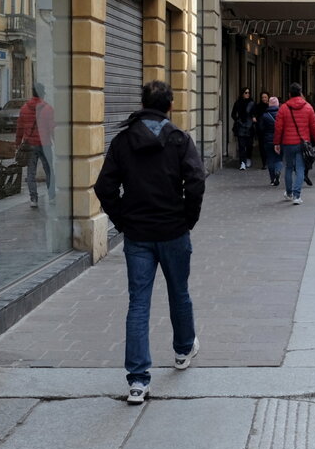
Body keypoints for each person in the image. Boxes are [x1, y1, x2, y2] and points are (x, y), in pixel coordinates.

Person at [93, 80, 206, 405]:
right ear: (170, 106)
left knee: (138, 304)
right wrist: (187, 219)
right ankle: (183, 350)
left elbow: (104, 187)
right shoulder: (179, 139)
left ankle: (138, 381)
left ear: (142, 104)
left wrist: (123, 220)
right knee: (179, 293)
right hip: (173, 231)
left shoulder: (123, 140)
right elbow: (196, 181)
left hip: (138, 235)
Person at [273, 82, 315, 205]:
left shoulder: (283, 108)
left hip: (288, 143)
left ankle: (289, 193)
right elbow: (314, 127)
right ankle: (297, 196)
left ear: (289, 94)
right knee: (300, 168)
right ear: (300, 93)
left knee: (289, 167)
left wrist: (277, 143)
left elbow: (278, 128)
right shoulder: (308, 107)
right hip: (302, 143)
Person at [15, 83, 55, 207]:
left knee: (30, 173)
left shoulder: (24, 108)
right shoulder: (48, 109)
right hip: (45, 144)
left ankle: (33, 199)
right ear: (42, 93)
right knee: (49, 170)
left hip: (30, 144)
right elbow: (52, 128)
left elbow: (20, 128)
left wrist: (17, 143)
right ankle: (52, 197)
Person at [260, 96, 282, 187]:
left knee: (270, 159)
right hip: (280, 140)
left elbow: (261, 128)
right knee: (279, 158)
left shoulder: (265, 115)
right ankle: (278, 171)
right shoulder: (281, 115)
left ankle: (273, 179)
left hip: (268, 140)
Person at [231, 87, 255, 169]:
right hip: (241, 126)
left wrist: (254, 117)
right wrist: (237, 120)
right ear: (242, 94)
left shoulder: (252, 103)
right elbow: (233, 114)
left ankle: (248, 158)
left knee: (249, 145)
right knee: (241, 146)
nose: (247, 94)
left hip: (250, 126)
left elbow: (255, 113)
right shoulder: (237, 103)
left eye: (248, 93)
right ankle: (242, 162)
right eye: (246, 93)